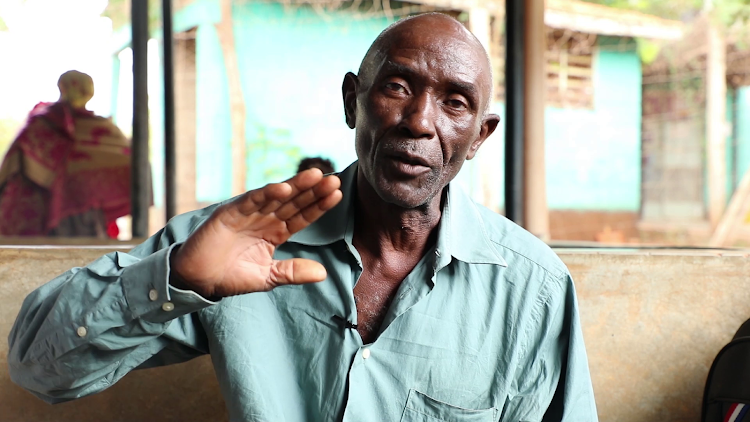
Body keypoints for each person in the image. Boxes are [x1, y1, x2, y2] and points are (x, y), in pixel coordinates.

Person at [8, 13, 597, 421]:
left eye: (455, 102)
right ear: (352, 102)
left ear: (478, 137)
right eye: (397, 85)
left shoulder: (531, 289)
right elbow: (39, 368)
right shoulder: (240, 244)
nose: (419, 121)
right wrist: (176, 279)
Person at [0, 70, 130, 238]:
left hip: (67, 216)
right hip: (61, 217)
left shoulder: (41, 123)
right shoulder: (105, 130)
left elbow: (10, 165)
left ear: (62, 87)